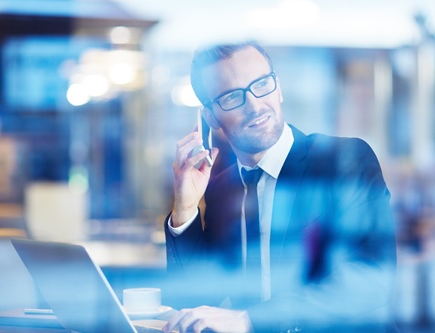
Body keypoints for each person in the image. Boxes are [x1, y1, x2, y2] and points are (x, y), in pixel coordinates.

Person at [162, 41, 397, 333]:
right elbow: (195, 297)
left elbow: (370, 280)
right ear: (210, 116)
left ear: (279, 88)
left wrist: (250, 320)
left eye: (261, 84)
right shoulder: (221, 188)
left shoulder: (343, 162)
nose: (255, 105)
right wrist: (184, 209)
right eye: (233, 96)